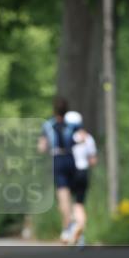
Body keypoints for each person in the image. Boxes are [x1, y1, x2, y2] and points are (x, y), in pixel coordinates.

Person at [38, 96, 80, 243]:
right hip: (71, 158)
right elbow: (82, 139)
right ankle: (71, 223)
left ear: (54, 110)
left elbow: (42, 147)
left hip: (57, 159)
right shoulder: (73, 124)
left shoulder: (48, 125)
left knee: (63, 196)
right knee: (73, 194)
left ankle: (68, 228)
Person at [65, 111, 98, 248]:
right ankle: (81, 235)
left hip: (71, 172)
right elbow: (93, 160)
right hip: (83, 173)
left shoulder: (67, 137)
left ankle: (72, 229)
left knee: (70, 203)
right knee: (80, 204)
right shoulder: (88, 137)